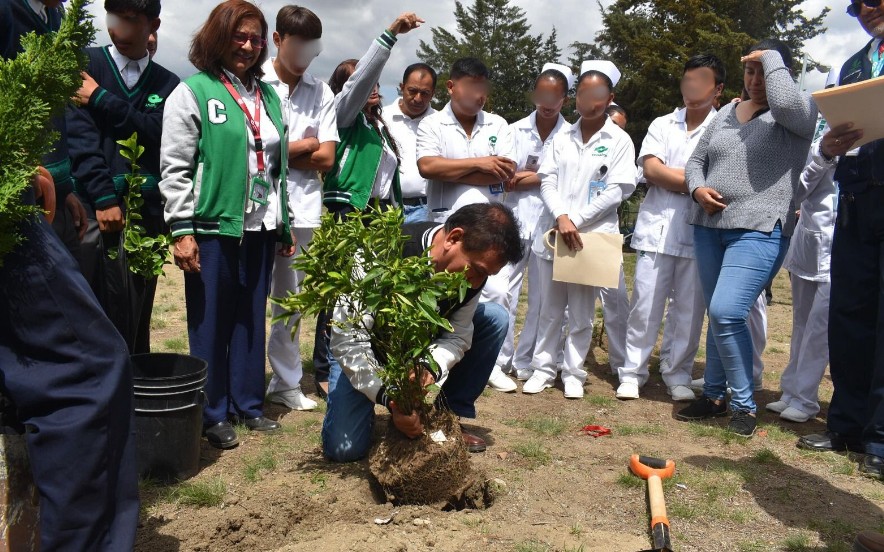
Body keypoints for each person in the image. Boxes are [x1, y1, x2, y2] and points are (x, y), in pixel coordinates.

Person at [0, 0, 139, 547]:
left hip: (41, 201)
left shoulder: (52, 19)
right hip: (11, 209)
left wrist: (72, 182)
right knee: (84, 371)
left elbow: (67, 122)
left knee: (40, 371)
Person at [160, 0, 294, 449]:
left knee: (250, 318)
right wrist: (182, 229)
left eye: (256, 38)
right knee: (210, 320)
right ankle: (212, 411)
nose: (250, 45)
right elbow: (175, 167)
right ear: (219, 37)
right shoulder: (193, 91)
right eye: (240, 36)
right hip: (214, 226)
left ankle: (248, 404)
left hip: (258, 227)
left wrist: (284, 222)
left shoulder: (269, 95)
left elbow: (276, 167)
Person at [678, 39, 817, 437]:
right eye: (750, 71)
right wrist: (697, 189)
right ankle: (715, 396)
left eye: (764, 71)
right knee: (718, 315)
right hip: (709, 227)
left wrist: (769, 56)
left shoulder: (798, 112)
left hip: (759, 227)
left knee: (727, 311)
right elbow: (696, 161)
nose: (756, 79)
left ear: (781, 74)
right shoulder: (725, 111)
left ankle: (743, 404)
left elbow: (788, 104)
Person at [322, 203, 521, 461]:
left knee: (494, 318)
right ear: (454, 238)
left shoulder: (471, 276)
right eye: (478, 270)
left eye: (485, 275)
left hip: (418, 346)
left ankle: (444, 417)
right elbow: (349, 339)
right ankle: (375, 412)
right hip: (368, 349)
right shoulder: (383, 250)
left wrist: (428, 368)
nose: (474, 282)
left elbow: (458, 334)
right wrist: (391, 397)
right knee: (343, 450)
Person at [310, 12, 423, 400]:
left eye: (374, 81)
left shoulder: (378, 126)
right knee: (341, 293)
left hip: (379, 216)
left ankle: (362, 361)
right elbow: (358, 83)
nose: (371, 86)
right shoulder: (342, 118)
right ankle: (324, 369)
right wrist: (390, 35)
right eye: (361, 81)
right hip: (350, 212)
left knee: (369, 292)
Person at [797, 0, 884, 479]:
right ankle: (845, 425)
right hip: (854, 199)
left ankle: (880, 436)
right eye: (855, 7)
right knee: (849, 315)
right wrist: (829, 147)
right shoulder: (854, 65)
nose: (866, 11)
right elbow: (832, 132)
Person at [66, 0, 179, 354]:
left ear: (153, 24)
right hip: (91, 210)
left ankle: (136, 390)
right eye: (115, 20)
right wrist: (103, 197)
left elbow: (160, 134)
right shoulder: (86, 64)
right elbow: (80, 137)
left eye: (132, 22)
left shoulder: (168, 82)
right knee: (90, 307)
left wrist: (100, 98)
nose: (121, 31)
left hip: (145, 215)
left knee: (136, 308)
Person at [522, 62, 637, 399]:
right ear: (576, 98)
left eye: (599, 95)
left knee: (583, 311)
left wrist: (577, 219)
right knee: (549, 308)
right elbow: (548, 180)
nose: (591, 102)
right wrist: (561, 216)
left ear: (610, 98)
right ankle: (544, 368)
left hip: (590, 236)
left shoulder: (619, 140)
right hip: (557, 232)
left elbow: (618, 189)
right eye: (585, 94)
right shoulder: (561, 138)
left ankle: (573, 372)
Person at [616, 54, 724, 401]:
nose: (691, 86)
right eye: (686, 79)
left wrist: (673, 177)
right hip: (656, 228)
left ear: (717, 89)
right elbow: (651, 171)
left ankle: (677, 372)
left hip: (698, 231)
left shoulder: (725, 128)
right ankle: (633, 371)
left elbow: (719, 181)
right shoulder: (663, 124)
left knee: (689, 311)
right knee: (645, 305)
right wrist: (695, 184)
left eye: (700, 80)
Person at [416, 56, 517, 391]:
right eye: (471, 87)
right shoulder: (433, 124)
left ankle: (492, 363)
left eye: (483, 89)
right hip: (449, 228)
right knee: (442, 300)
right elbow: (428, 167)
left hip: (488, 233)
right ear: (451, 86)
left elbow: (505, 170)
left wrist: (455, 168)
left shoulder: (498, 125)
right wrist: (481, 164)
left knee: (498, 292)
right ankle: (432, 369)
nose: (478, 95)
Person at [264, 5, 337, 413]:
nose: (309, 53)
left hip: (304, 209)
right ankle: (235, 378)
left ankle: (287, 381)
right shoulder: (254, 83)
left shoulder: (320, 90)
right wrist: (300, 145)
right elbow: (250, 150)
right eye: (300, 44)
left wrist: (284, 150)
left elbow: (327, 157)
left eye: (314, 45)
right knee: (248, 295)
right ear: (278, 40)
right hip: (255, 204)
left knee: (290, 301)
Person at [491, 63, 573, 390]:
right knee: (503, 292)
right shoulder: (513, 130)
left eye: (555, 95)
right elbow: (506, 177)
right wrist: (544, 176)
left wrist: (535, 176)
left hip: (548, 222)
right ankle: (498, 361)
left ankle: (528, 361)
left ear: (565, 99)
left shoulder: (571, 135)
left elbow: (562, 177)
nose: (547, 101)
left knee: (542, 299)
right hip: (512, 218)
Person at [0, 0, 88, 256]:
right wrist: (18, 171)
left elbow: (55, 111)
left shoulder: (56, 16)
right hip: (14, 197)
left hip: (51, 197)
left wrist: (64, 189)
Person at [383, 62, 438, 223]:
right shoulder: (382, 118)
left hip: (426, 209)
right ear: (402, 87)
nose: (418, 99)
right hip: (386, 209)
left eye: (425, 93)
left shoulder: (440, 123)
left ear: (433, 93)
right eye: (412, 91)